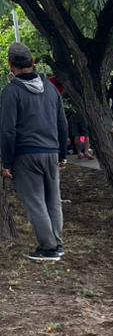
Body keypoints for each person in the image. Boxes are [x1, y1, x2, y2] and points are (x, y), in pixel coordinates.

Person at [0, 42, 68, 261]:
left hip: (26, 154)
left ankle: (47, 248)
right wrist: (63, 154)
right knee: (53, 200)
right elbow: (62, 122)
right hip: (51, 151)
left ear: (11, 65)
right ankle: (57, 243)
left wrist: (6, 162)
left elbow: (7, 130)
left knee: (35, 202)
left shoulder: (12, 91)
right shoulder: (50, 88)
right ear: (33, 62)